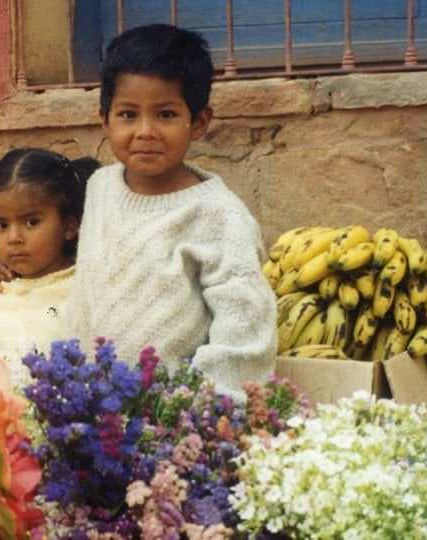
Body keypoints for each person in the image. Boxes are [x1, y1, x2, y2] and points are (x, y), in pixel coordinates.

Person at [66, 23, 278, 400]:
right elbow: (84, 280)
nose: (145, 131)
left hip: (169, 418)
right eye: (128, 115)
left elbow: (245, 326)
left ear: (198, 122)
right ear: (104, 120)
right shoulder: (100, 189)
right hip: (87, 406)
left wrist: (208, 412)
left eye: (165, 114)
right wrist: (18, 282)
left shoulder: (218, 216)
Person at [0, 148, 100, 390]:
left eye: (31, 222)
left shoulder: (83, 290)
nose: (13, 238)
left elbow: (52, 316)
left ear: (69, 226)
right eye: (1, 224)